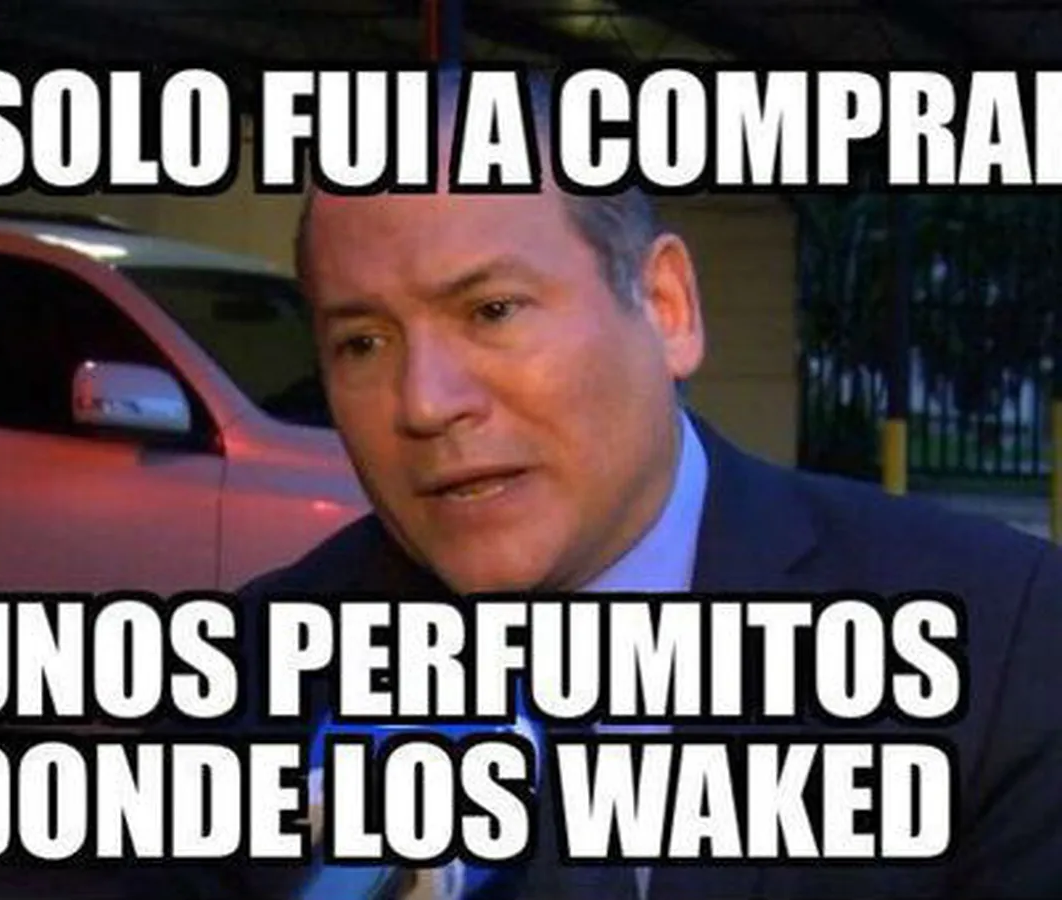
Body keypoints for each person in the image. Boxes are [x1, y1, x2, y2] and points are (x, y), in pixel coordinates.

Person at [129, 73, 1062, 899]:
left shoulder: (1001, 639)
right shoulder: (238, 687)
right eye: (363, 342)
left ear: (666, 308)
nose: (425, 403)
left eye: (492, 310)